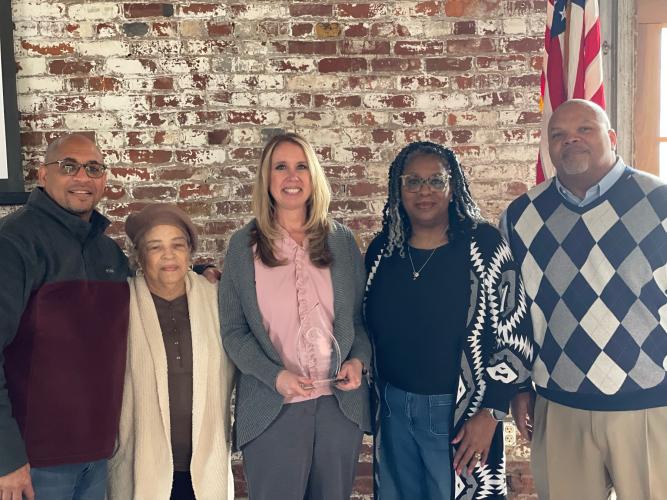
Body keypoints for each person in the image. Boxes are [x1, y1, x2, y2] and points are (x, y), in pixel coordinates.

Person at [503, 99, 667, 499]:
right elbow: (514, 312)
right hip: (560, 406)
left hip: (648, 403)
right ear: (548, 147)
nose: (570, 140)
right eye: (558, 134)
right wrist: (518, 386)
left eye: (585, 130)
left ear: (611, 138)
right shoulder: (522, 215)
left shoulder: (659, 201)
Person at [364, 141, 533, 500]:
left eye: (436, 181)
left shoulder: (483, 245)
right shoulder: (383, 252)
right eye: (413, 181)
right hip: (393, 410)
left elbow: (515, 333)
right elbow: (364, 326)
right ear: (399, 188)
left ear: (453, 186)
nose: (424, 191)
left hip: (461, 415)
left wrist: (492, 411)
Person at [219, 132, 371, 499]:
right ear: (266, 179)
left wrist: (359, 361)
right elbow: (234, 332)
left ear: (313, 175)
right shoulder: (244, 246)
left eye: (301, 166)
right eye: (281, 167)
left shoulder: (341, 241)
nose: (292, 176)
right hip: (273, 409)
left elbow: (361, 320)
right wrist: (276, 376)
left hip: (338, 408)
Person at [0, 134, 130, 500]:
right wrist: (5, 458)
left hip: (98, 455)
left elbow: (147, 297)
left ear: (104, 179)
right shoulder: (14, 243)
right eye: (69, 166)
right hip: (33, 462)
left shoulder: (108, 252)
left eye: (94, 168)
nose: (83, 178)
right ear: (43, 174)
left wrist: (196, 273)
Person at [107, 204, 235, 500]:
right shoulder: (121, 303)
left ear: (190, 252)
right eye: (155, 247)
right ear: (139, 256)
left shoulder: (216, 298)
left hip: (204, 464)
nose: (168, 255)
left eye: (177, 245)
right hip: (141, 463)